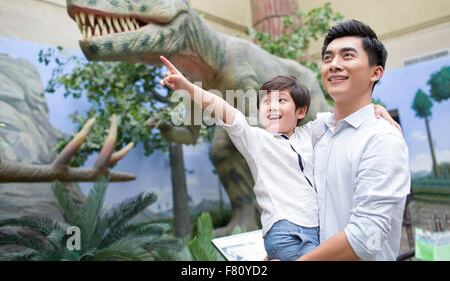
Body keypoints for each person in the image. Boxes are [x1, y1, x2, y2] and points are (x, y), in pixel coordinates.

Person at [158, 54, 399, 260]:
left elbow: (344, 113)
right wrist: (187, 87)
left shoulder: (311, 133)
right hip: (283, 229)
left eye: (281, 100)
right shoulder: (255, 140)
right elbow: (223, 108)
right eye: (266, 102)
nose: (271, 106)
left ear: (301, 111)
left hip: (317, 229)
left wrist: (374, 110)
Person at [293, 19, 410, 261]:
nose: (334, 65)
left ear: (375, 72)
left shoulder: (382, 139)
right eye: (328, 58)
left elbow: (366, 237)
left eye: (347, 56)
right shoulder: (319, 132)